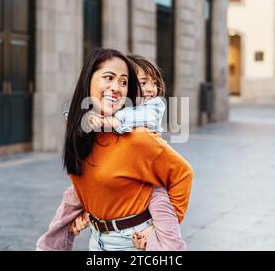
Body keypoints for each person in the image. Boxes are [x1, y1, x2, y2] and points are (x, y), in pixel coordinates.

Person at [36, 49, 193, 251]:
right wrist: (89, 210)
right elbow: (99, 181)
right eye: (108, 78)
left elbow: (183, 174)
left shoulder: (138, 137)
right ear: (88, 80)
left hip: (133, 243)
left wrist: (158, 230)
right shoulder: (81, 131)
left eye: (123, 82)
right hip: (97, 239)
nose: (116, 88)